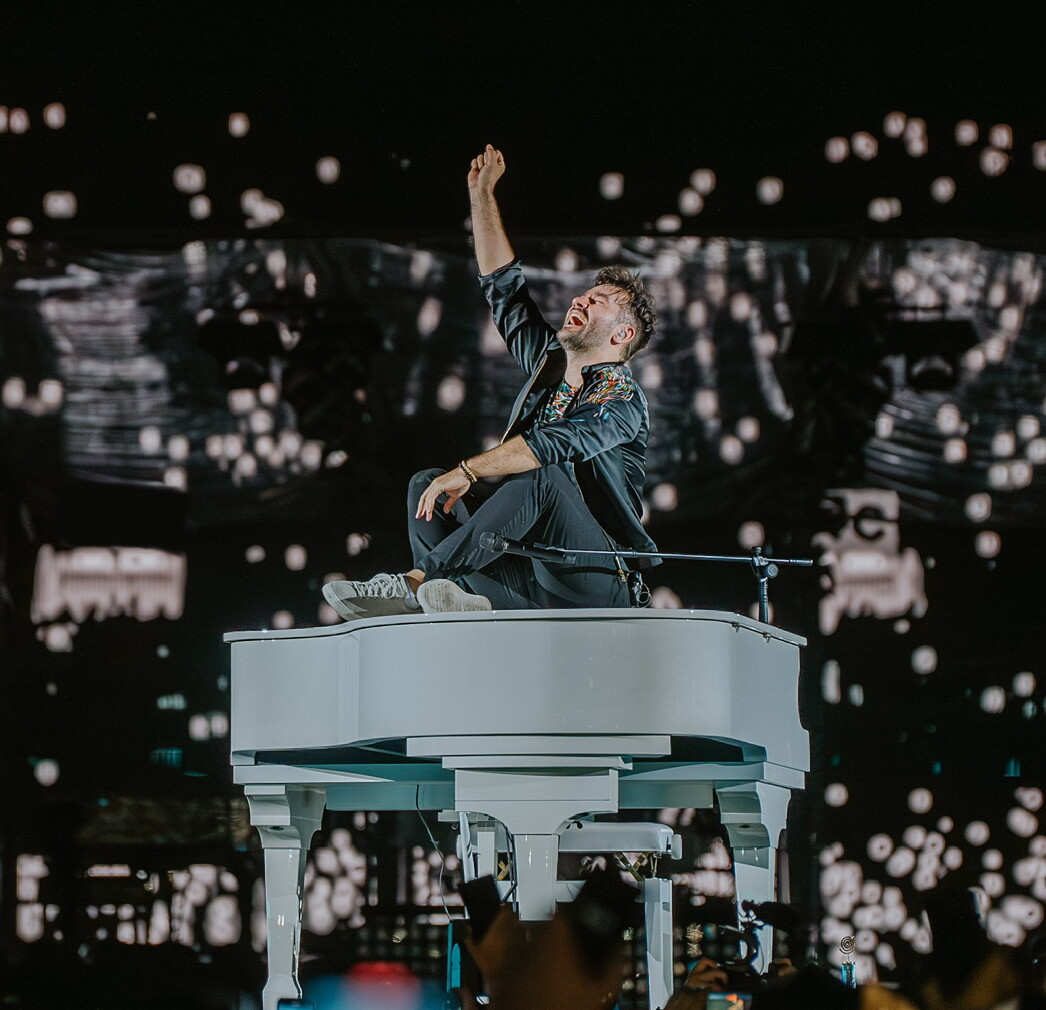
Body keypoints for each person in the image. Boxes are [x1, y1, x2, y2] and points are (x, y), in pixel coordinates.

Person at [324, 144, 659, 620]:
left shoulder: (621, 397)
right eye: (583, 295)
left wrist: (470, 470)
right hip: (530, 574)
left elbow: (555, 444)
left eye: (597, 301)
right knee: (428, 486)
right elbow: (505, 291)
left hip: (595, 577)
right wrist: (481, 196)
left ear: (622, 334)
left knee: (541, 474)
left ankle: (417, 584)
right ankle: (459, 602)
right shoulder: (549, 365)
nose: (579, 301)